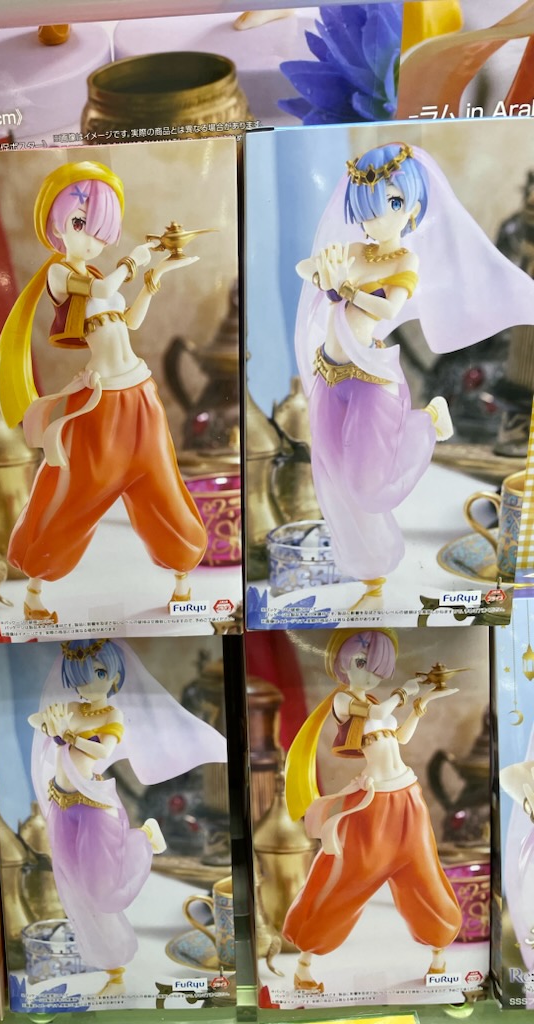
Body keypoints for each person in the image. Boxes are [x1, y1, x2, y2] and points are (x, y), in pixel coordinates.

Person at [294, 141, 534, 608]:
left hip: (371, 379)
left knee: (369, 488)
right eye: (366, 207)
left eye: (392, 203)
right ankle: (371, 578)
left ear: (413, 207)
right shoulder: (352, 250)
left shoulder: (405, 260)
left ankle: (427, 422)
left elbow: (388, 308)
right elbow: (311, 272)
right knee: (335, 480)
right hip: (330, 375)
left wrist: (345, 287)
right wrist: (323, 273)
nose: (377, 218)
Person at [0, 161, 207, 624]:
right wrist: (135, 258)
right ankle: (35, 589)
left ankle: (182, 579)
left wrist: (155, 276)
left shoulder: (94, 273)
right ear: (56, 224)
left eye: (99, 230)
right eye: (79, 225)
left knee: (161, 481)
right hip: (101, 404)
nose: (91, 240)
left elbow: (128, 321)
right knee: (77, 492)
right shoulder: (59, 274)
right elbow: (106, 285)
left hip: (141, 394)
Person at [29, 638, 228, 995]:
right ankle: (114, 972)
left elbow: (101, 750)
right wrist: (49, 725)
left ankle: (143, 837)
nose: (90, 684)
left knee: (102, 891)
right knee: (75, 888)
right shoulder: (71, 708)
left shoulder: (112, 715)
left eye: (99, 673)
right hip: (62, 805)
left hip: (94, 805)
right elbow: (37, 720)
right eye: (81, 675)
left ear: (115, 675)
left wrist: (66, 733)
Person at [283, 628, 461, 992]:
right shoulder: (343, 700)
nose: (369, 675)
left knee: (424, 871)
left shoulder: (377, 701)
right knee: (349, 878)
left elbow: (400, 737)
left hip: (408, 798)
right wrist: (405, 691)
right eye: (361, 663)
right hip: (374, 806)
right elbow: (379, 712)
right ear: (341, 663)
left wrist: (421, 705)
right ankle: (304, 963)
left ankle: (438, 954)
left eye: (377, 668)